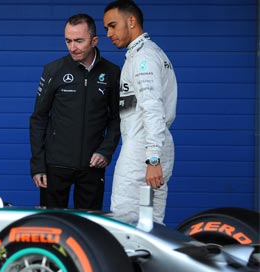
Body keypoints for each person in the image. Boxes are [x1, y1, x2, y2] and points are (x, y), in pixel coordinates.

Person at [30, 13, 121, 210]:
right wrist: (38, 165)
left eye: (79, 41)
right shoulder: (53, 70)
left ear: (94, 40)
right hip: (55, 165)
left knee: (89, 226)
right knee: (52, 225)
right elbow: (38, 119)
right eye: (68, 41)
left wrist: (106, 151)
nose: (73, 47)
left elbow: (117, 118)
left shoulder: (113, 73)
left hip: (92, 166)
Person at [103, 0, 177, 224]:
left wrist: (152, 159)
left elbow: (152, 107)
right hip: (151, 146)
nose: (108, 33)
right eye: (106, 28)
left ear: (131, 21)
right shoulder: (146, 53)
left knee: (124, 221)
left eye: (113, 25)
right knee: (151, 224)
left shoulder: (143, 58)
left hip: (143, 151)